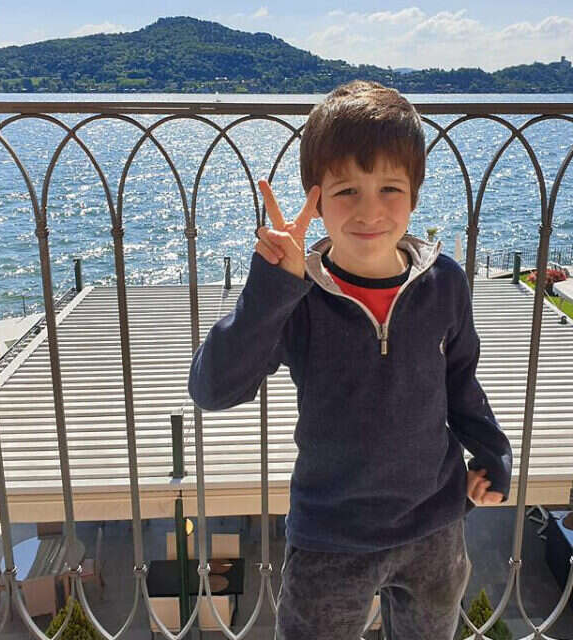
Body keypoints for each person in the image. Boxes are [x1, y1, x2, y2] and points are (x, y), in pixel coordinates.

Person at [188, 80, 513, 640]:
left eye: (390, 188)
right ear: (314, 199)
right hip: (331, 538)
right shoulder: (298, 296)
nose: (370, 210)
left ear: (415, 195)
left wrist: (493, 452)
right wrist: (272, 287)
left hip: (436, 526)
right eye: (346, 191)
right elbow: (213, 389)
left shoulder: (444, 283)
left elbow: (461, 381)